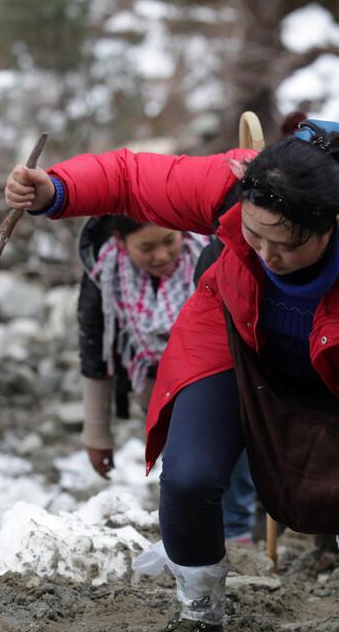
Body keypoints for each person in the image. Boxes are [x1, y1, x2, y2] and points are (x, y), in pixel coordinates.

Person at [5, 133, 339, 632]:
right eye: (254, 236)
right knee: (188, 475)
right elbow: (131, 178)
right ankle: (198, 613)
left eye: (284, 244)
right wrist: (56, 188)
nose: (266, 254)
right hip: (235, 335)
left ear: (328, 226)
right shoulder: (232, 185)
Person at [76, 215, 257, 542]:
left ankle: (238, 531)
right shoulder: (105, 274)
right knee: (182, 462)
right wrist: (97, 433)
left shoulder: (212, 254)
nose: (161, 255)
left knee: (236, 457)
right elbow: (96, 350)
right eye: (146, 247)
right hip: (157, 386)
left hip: (222, 374)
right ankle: (197, 537)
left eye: (168, 241)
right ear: (120, 241)